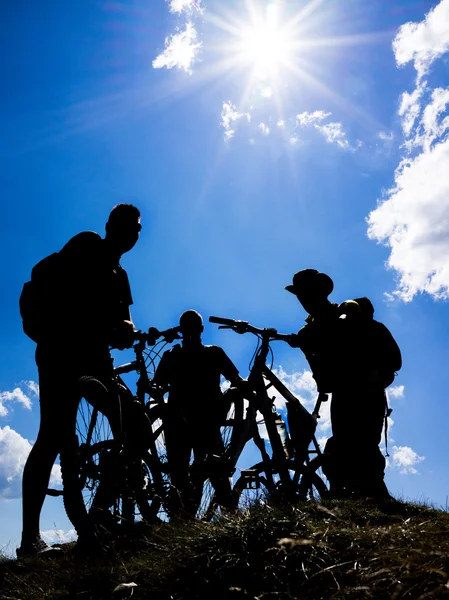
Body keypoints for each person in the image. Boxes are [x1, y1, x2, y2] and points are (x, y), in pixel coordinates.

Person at [18, 204, 141, 556]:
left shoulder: (121, 275)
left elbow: (125, 319)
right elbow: (70, 297)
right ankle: (30, 540)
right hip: (60, 354)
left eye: (136, 228)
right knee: (52, 436)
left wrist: (126, 330)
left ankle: (95, 526)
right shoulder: (86, 245)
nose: (130, 232)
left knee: (136, 427)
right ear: (108, 227)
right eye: (123, 226)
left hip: (97, 362)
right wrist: (103, 323)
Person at [285, 269, 402, 500]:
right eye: (300, 296)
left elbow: (389, 358)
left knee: (362, 444)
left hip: (365, 391)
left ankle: (373, 497)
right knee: (345, 443)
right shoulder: (313, 326)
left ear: (320, 293)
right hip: (344, 392)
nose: (304, 300)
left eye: (307, 294)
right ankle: (348, 494)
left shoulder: (346, 317)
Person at [151, 310, 246, 518]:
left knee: (192, 475)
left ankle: (185, 521)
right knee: (206, 474)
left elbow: (156, 387)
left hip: (188, 423)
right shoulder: (210, 353)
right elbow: (238, 381)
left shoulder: (175, 356)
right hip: (199, 423)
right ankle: (224, 517)